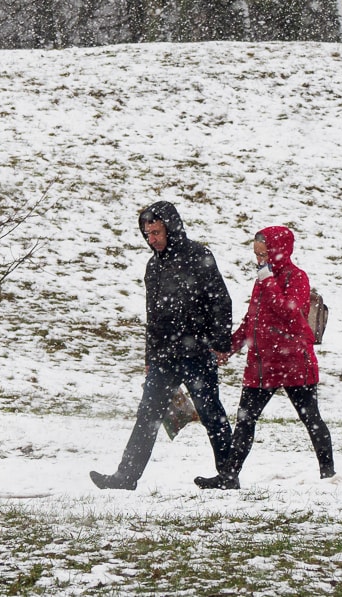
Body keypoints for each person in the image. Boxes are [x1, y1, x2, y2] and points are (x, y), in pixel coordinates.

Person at [90, 201, 236, 490]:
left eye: (156, 232)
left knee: (211, 414)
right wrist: (150, 356)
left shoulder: (199, 256)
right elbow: (152, 315)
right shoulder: (153, 266)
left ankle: (228, 476)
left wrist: (219, 343)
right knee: (147, 414)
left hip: (198, 352)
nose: (152, 239)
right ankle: (126, 477)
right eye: (147, 234)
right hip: (164, 356)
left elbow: (222, 301)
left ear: (171, 228)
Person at [196, 225, 334, 489]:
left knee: (311, 418)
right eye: (256, 255)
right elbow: (252, 322)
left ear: (279, 252)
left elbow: (289, 313)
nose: (259, 260)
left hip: (293, 363)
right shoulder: (262, 280)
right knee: (246, 420)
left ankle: (329, 474)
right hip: (262, 365)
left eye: (263, 254)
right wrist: (229, 347)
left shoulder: (297, 278)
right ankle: (228, 477)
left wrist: (268, 281)